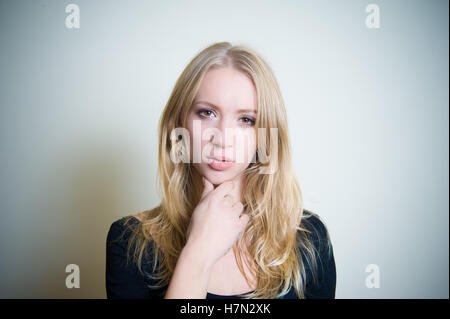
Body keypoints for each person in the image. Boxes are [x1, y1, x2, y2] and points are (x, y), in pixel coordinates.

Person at [106, 42, 336, 299]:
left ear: (265, 136)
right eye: (206, 113)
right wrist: (197, 255)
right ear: (178, 123)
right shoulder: (129, 240)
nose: (223, 139)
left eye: (247, 120)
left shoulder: (309, 238)